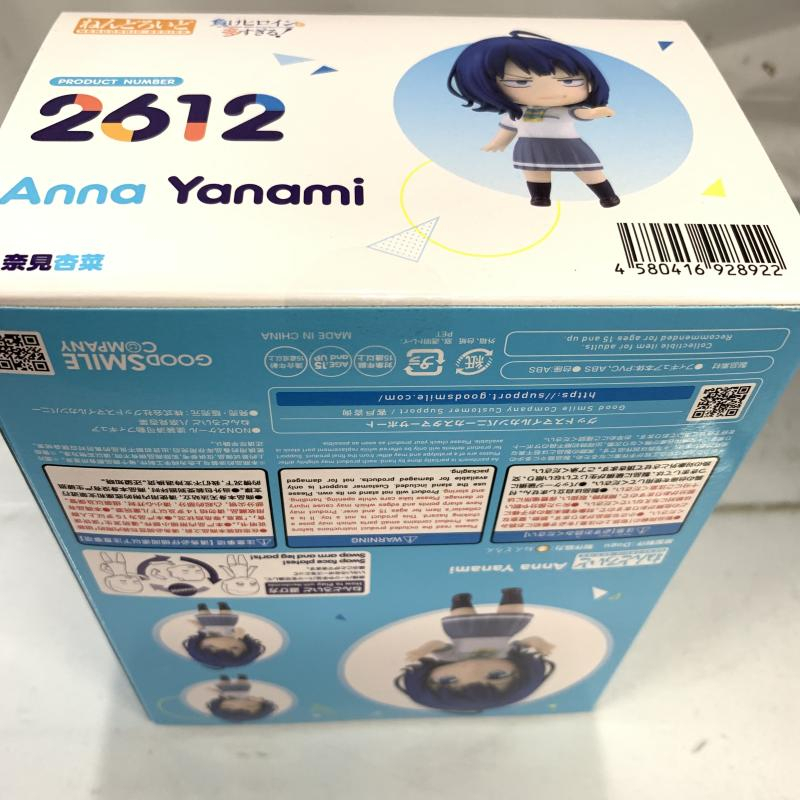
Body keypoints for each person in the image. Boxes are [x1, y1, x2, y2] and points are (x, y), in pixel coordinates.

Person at [448, 30, 620, 208]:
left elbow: (580, 113)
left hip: (568, 144)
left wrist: (594, 113)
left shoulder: (564, 111)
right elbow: (509, 128)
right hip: (530, 145)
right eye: (521, 82)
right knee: (534, 170)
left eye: (568, 81)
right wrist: (498, 142)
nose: (550, 92)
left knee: (588, 169)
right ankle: (540, 197)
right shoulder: (518, 112)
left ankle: (607, 196)